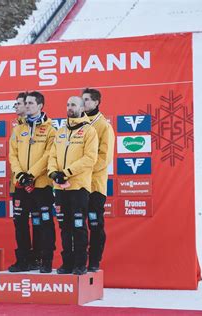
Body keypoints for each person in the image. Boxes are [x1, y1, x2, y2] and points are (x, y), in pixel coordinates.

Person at [48, 96, 98, 275]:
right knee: (64, 227)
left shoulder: (89, 131)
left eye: (73, 104)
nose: (70, 107)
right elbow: (52, 156)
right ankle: (66, 263)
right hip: (60, 188)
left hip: (78, 187)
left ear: (82, 107)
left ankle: (80, 264)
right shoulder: (60, 131)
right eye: (68, 104)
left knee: (78, 226)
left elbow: (90, 159)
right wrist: (53, 173)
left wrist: (66, 172)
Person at [8, 91, 56, 273]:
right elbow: (12, 154)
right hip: (21, 184)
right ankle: (23, 260)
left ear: (40, 105)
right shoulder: (18, 129)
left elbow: (49, 155)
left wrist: (32, 174)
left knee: (44, 223)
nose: (26, 106)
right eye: (25, 103)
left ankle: (45, 260)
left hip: (41, 184)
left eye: (30, 103)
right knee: (20, 223)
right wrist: (20, 174)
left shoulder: (51, 129)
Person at [82, 88, 115, 272]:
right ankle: (79, 261)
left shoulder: (104, 126)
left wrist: (82, 172)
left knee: (94, 223)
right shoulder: (78, 124)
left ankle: (94, 261)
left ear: (96, 103)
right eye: (82, 99)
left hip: (94, 185)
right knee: (77, 225)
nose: (83, 102)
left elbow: (104, 158)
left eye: (87, 100)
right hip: (78, 185)